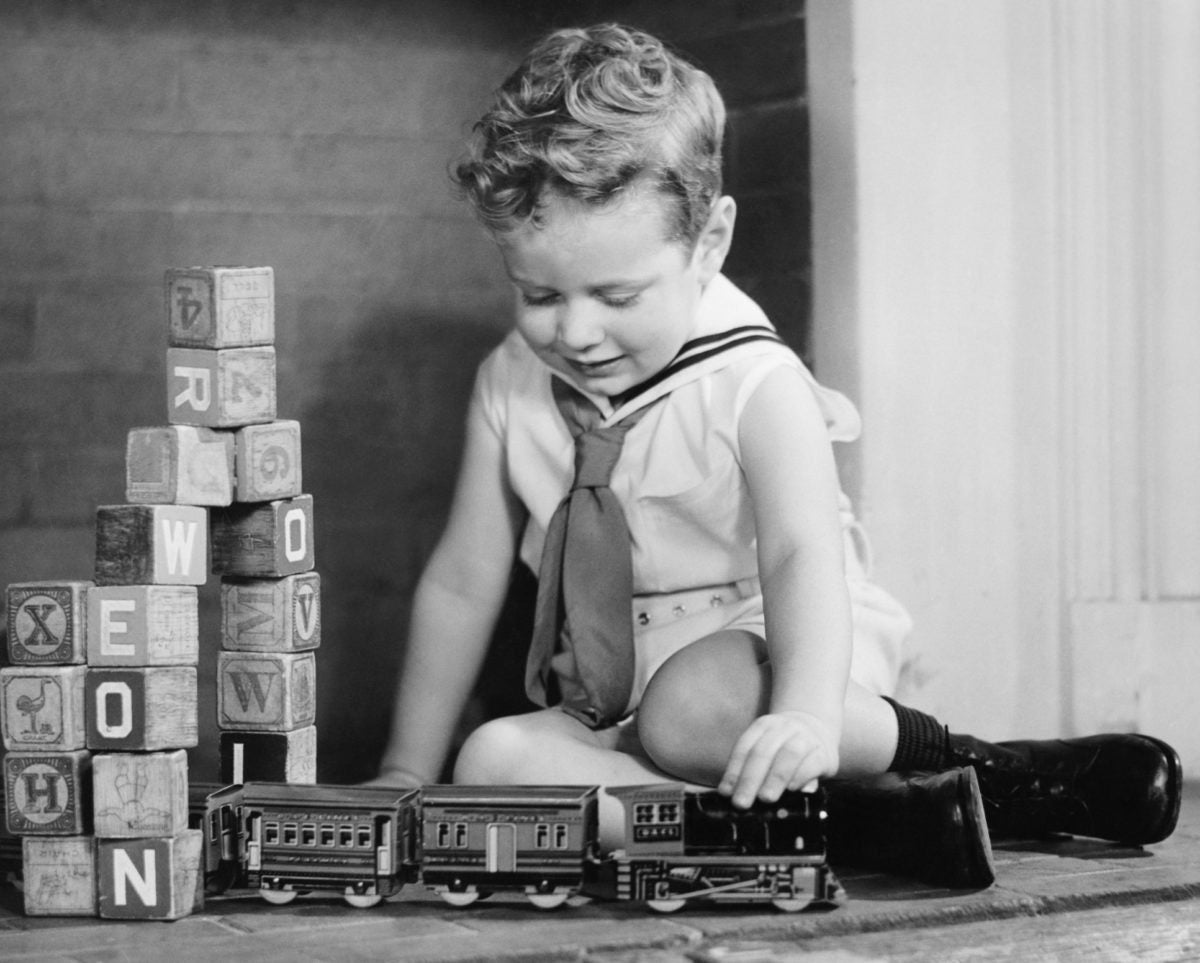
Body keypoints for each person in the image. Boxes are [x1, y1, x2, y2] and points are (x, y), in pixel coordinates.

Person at [372, 23, 1181, 887]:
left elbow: (802, 554)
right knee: (489, 764)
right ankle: (834, 826)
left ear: (709, 243)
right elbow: (463, 580)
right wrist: (403, 772)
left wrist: (800, 713)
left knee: (692, 710)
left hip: (774, 648)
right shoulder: (510, 384)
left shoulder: (754, 381)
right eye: (539, 294)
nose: (574, 331)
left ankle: (989, 772)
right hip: (621, 693)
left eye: (616, 295)